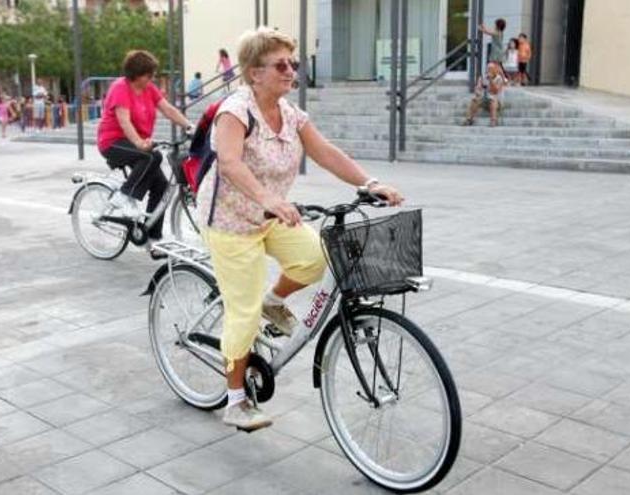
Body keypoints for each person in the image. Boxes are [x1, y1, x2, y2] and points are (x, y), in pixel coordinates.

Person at [196, 27, 403, 431]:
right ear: (254, 72)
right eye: (281, 64)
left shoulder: (290, 114)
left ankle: (276, 301)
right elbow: (230, 162)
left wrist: (369, 183)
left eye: (294, 63)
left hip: (272, 216)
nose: (291, 70)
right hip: (231, 222)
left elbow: (325, 151)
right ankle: (235, 400)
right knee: (244, 311)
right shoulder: (235, 110)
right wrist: (268, 198)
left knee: (314, 259)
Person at [96, 50, 194, 256]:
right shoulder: (120, 88)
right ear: (137, 74)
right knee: (151, 156)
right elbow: (124, 121)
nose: (152, 79)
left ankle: (152, 237)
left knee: (161, 186)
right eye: (149, 75)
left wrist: (189, 126)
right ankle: (125, 195)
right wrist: (140, 143)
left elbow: (168, 109)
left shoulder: (149, 89)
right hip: (113, 142)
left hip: (136, 144)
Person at [463, 62, 505, 127]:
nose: (488, 70)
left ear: (495, 70)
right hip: (485, 99)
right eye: (488, 69)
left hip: (497, 101)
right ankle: (469, 119)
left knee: (493, 100)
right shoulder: (483, 77)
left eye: (491, 69)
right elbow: (478, 87)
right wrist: (477, 91)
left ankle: (493, 121)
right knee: (474, 100)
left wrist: (491, 80)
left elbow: (495, 91)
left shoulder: (499, 79)